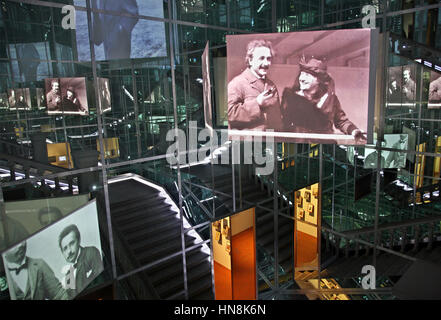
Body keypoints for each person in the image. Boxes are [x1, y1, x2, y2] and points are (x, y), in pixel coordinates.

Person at [281, 57, 366, 143]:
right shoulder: (291, 97)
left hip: (324, 148)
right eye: (301, 74)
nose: (302, 78)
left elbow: (341, 121)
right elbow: (283, 123)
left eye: (307, 75)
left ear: (319, 80)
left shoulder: (330, 99)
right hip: (300, 149)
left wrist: (354, 131)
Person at [228, 39, 283, 131]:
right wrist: (257, 103)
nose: (266, 63)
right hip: (247, 143)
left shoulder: (271, 85)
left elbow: (277, 118)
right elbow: (229, 113)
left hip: (270, 141)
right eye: (261, 58)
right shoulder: (237, 83)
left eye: (268, 58)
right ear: (250, 60)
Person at [3, 240, 67, 300]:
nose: (21, 245)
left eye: (23, 240)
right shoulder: (3, 273)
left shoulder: (39, 265)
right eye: (15, 244)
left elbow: (60, 294)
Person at [58, 224, 103, 298]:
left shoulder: (91, 253)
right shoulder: (68, 274)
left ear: (79, 241)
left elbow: (101, 281)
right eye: (65, 248)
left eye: (72, 243)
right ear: (62, 253)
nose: (69, 251)